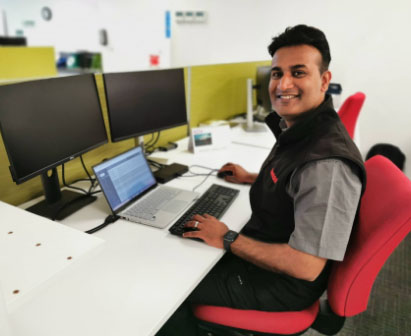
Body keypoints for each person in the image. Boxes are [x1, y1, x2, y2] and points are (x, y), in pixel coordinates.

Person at [156, 24, 366, 335]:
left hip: (282, 283)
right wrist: (251, 177)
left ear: (324, 81)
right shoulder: (304, 129)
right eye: (277, 73)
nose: (283, 84)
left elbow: (305, 266)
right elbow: (294, 180)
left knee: (169, 291)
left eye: (298, 72)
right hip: (269, 248)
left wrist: (227, 238)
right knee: (179, 253)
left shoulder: (326, 166)